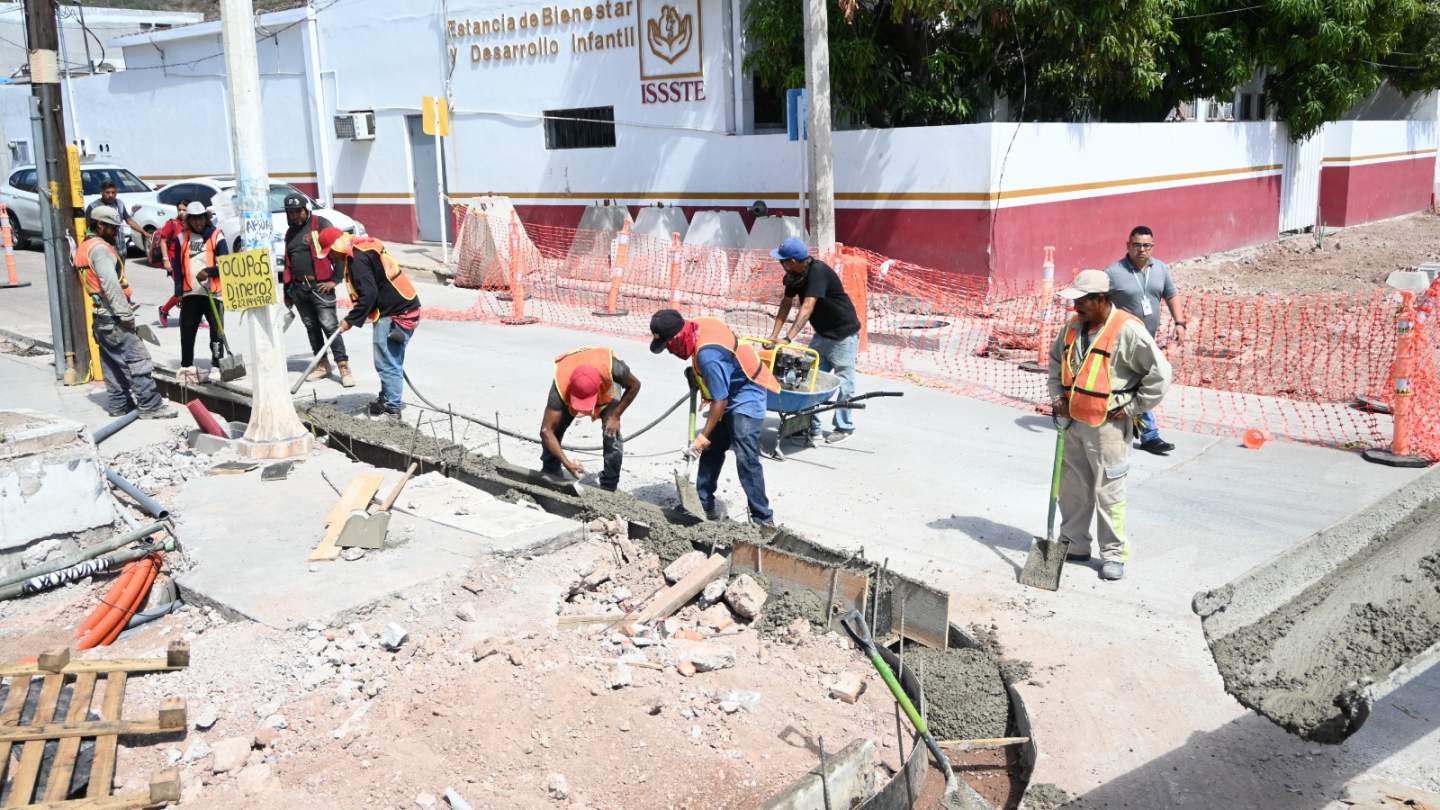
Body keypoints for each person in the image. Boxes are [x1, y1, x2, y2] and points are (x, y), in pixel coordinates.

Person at [1048, 270, 1171, 582]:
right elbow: (1055, 361)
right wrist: (1057, 396)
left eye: (1081, 301)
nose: (1075, 307)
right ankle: (1074, 544)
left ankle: (1113, 554)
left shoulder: (1127, 330)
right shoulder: (1072, 326)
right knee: (1073, 489)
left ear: (1101, 299)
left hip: (1108, 428)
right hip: (1073, 423)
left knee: (1109, 492)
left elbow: (1160, 374)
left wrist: (1132, 407)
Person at [649, 309, 780, 525]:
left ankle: (763, 519)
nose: (669, 351)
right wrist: (698, 377)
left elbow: (721, 400)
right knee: (713, 448)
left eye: (668, 346)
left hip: (747, 392)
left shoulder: (708, 356)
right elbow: (719, 372)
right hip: (729, 387)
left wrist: (702, 437)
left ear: (677, 337)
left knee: (746, 457)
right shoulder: (695, 326)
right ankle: (703, 503)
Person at [74, 206, 174, 419]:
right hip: (113, 316)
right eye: (112, 228)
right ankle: (150, 405)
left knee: (111, 363)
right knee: (138, 358)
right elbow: (110, 284)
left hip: (101, 316)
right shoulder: (100, 250)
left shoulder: (85, 247)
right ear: (100, 225)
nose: (116, 232)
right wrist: (125, 315)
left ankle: (119, 404)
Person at [765, 237, 863, 443]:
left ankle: (844, 427)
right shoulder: (794, 276)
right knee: (808, 380)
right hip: (822, 334)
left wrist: (788, 338)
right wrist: (774, 336)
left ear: (792, 261)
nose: (780, 263)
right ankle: (811, 427)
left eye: (782, 260)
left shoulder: (818, 272)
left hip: (843, 335)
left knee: (844, 382)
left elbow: (807, 307)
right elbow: (786, 303)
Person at [1104, 225, 1187, 455]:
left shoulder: (1160, 269)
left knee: (1140, 382)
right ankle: (1150, 436)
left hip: (1148, 340)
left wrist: (1180, 323)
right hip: (1121, 341)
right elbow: (1098, 301)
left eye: (1147, 246)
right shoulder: (1113, 272)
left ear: (1153, 246)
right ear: (1128, 245)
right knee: (1139, 382)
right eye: (1137, 245)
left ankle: (1128, 423)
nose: (1142, 249)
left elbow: (1171, 294)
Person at [324, 228, 420, 419]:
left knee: (387, 362)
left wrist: (349, 321)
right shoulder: (361, 247)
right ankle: (387, 398)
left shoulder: (357, 260)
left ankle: (392, 407)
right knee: (390, 360)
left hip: (396, 313)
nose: (330, 257)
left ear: (337, 247)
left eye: (330, 253)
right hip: (403, 306)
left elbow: (369, 295)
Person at [540, 347, 642, 491]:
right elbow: (546, 431)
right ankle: (550, 469)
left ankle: (609, 485)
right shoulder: (561, 385)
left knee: (611, 431)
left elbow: (635, 385)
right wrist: (566, 463)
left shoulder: (615, 370)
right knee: (556, 426)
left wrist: (616, 416)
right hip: (572, 380)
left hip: (608, 386)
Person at [281, 194, 353, 387]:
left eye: (298, 212)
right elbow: (288, 262)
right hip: (298, 289)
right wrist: (287, 291)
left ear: (306, 209)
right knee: (311, 328)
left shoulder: (320, 224)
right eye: (290, 213)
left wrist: (335, 280)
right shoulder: (290, 233)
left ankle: (343, 366)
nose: (295, 216)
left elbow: (339, 249)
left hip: (320, 288)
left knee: (330, 326)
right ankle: (322, 364)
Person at [166, 202, 230, 385]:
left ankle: (217, 364)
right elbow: (177, 267)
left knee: (216, 332)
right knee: (187, 332)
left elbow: (226, 264)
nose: (198, 222)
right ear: (189, 220)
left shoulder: (217, 236)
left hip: (213, 293)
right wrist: (178, 291)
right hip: (190, 293)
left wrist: (209, 271)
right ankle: (187, 366)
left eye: (201, 218)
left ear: (206, 218)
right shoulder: (181, 238)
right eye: (194, 219)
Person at [150, 199, 190, 328]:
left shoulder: (192, 223)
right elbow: (163, 241)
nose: (181, 212)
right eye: (179, 210)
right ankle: (164, 310)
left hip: (188, 261)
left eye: (184, 210)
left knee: (190, 290)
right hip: (174, 261)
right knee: (181, 290)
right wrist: (166, 260)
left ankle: (191, 317)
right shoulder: (172, 223)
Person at [84, 181, 143, 252]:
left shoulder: (119, 204)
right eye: (107, 192)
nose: (111, 195)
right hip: (104, 249)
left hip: (121, 249)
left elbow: (129, 220)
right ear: (102, 192)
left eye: (113, 192)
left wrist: (144, 233)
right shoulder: (93, 207)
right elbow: (88, 228)